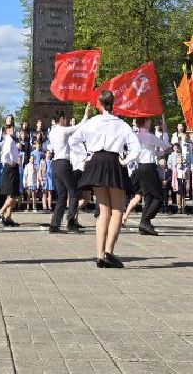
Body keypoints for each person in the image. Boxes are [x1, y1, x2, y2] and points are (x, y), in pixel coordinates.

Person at [70, 89, 141, 269]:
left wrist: (84, 156)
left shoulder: (92, 122)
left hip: (96, 162)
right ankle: (109, 252)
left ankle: (99, 255)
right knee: (117, 211)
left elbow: (73, 140)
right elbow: (136, 147)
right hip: (114, 162)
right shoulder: (121, 124)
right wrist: (126, 160)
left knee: (104, 212)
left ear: (99, 105)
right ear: (113, 104)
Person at [131, 116, 170, 236]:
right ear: (145, 123)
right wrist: (165, 131)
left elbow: (152, 151)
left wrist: (162, 152)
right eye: (148, 120)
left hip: (140, 167)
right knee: (158, 197)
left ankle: (144, 225)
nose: (150, 122)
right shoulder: (149, 136)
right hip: (149, 167)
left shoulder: (136, 136)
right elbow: (166, 145)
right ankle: (145, 221)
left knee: (148, 197)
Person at [47, 112, 81, 234]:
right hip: (63, 163)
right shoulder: (62, 130)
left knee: (61, 196)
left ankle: (54, 225)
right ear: (61, 119)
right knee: (74, 193)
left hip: (55, 164)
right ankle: (71, 222)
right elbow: (78, 127)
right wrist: (86, 116)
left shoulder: (52, 132)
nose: (66, 121)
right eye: (65, 119)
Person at [0, 121, 23, 227]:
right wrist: (11, 163)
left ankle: (8, 217)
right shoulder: (8, 141)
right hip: (10, 168)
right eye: (11, 129)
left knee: (13, 195)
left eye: (13, 128)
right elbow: (5, 156)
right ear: (7, 130)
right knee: (11, 195)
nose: (13, 130)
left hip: (13, 168)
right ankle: (0, 213)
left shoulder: (12, 140)